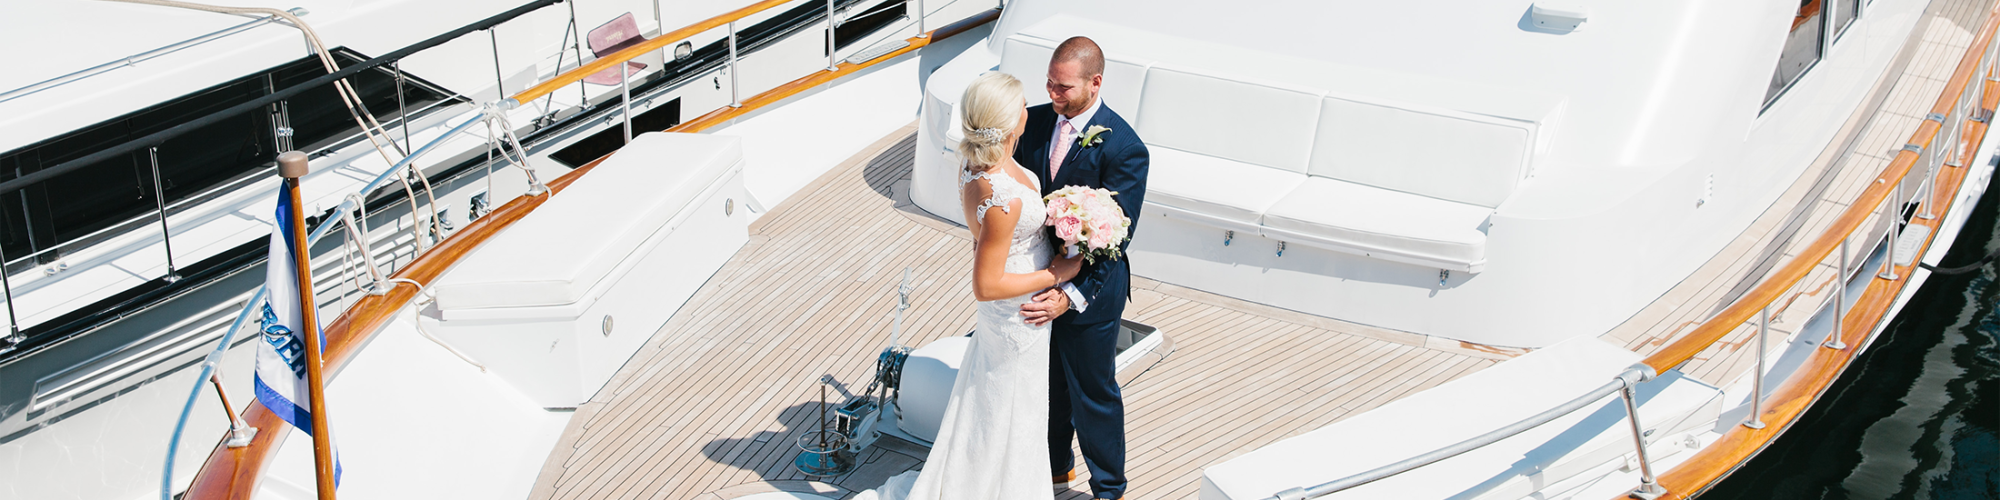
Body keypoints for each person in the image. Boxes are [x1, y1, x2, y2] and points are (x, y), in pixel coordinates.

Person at [849, 71, 1083, 500]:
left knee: (1002, 407)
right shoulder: (1003, 198)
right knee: (1011, 410)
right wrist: (1057, 273)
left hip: (1015, 315)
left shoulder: (975, 165)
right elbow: (987, 284)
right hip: (1017, 315)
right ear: (1012, 122)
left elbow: (984, 245)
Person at [1017, 36, 1150, 500]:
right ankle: (1055, 471)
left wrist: (1068, 295)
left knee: (1093, 395)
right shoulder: (1032, 122)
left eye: (1064, 88)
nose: (1054, 94)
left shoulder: (1125, 149)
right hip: (1036, 281)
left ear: (1096, 83)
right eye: (1050, 83)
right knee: (1047, 388)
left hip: (1091, 294)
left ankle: (1109, 489)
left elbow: (1116, 239)